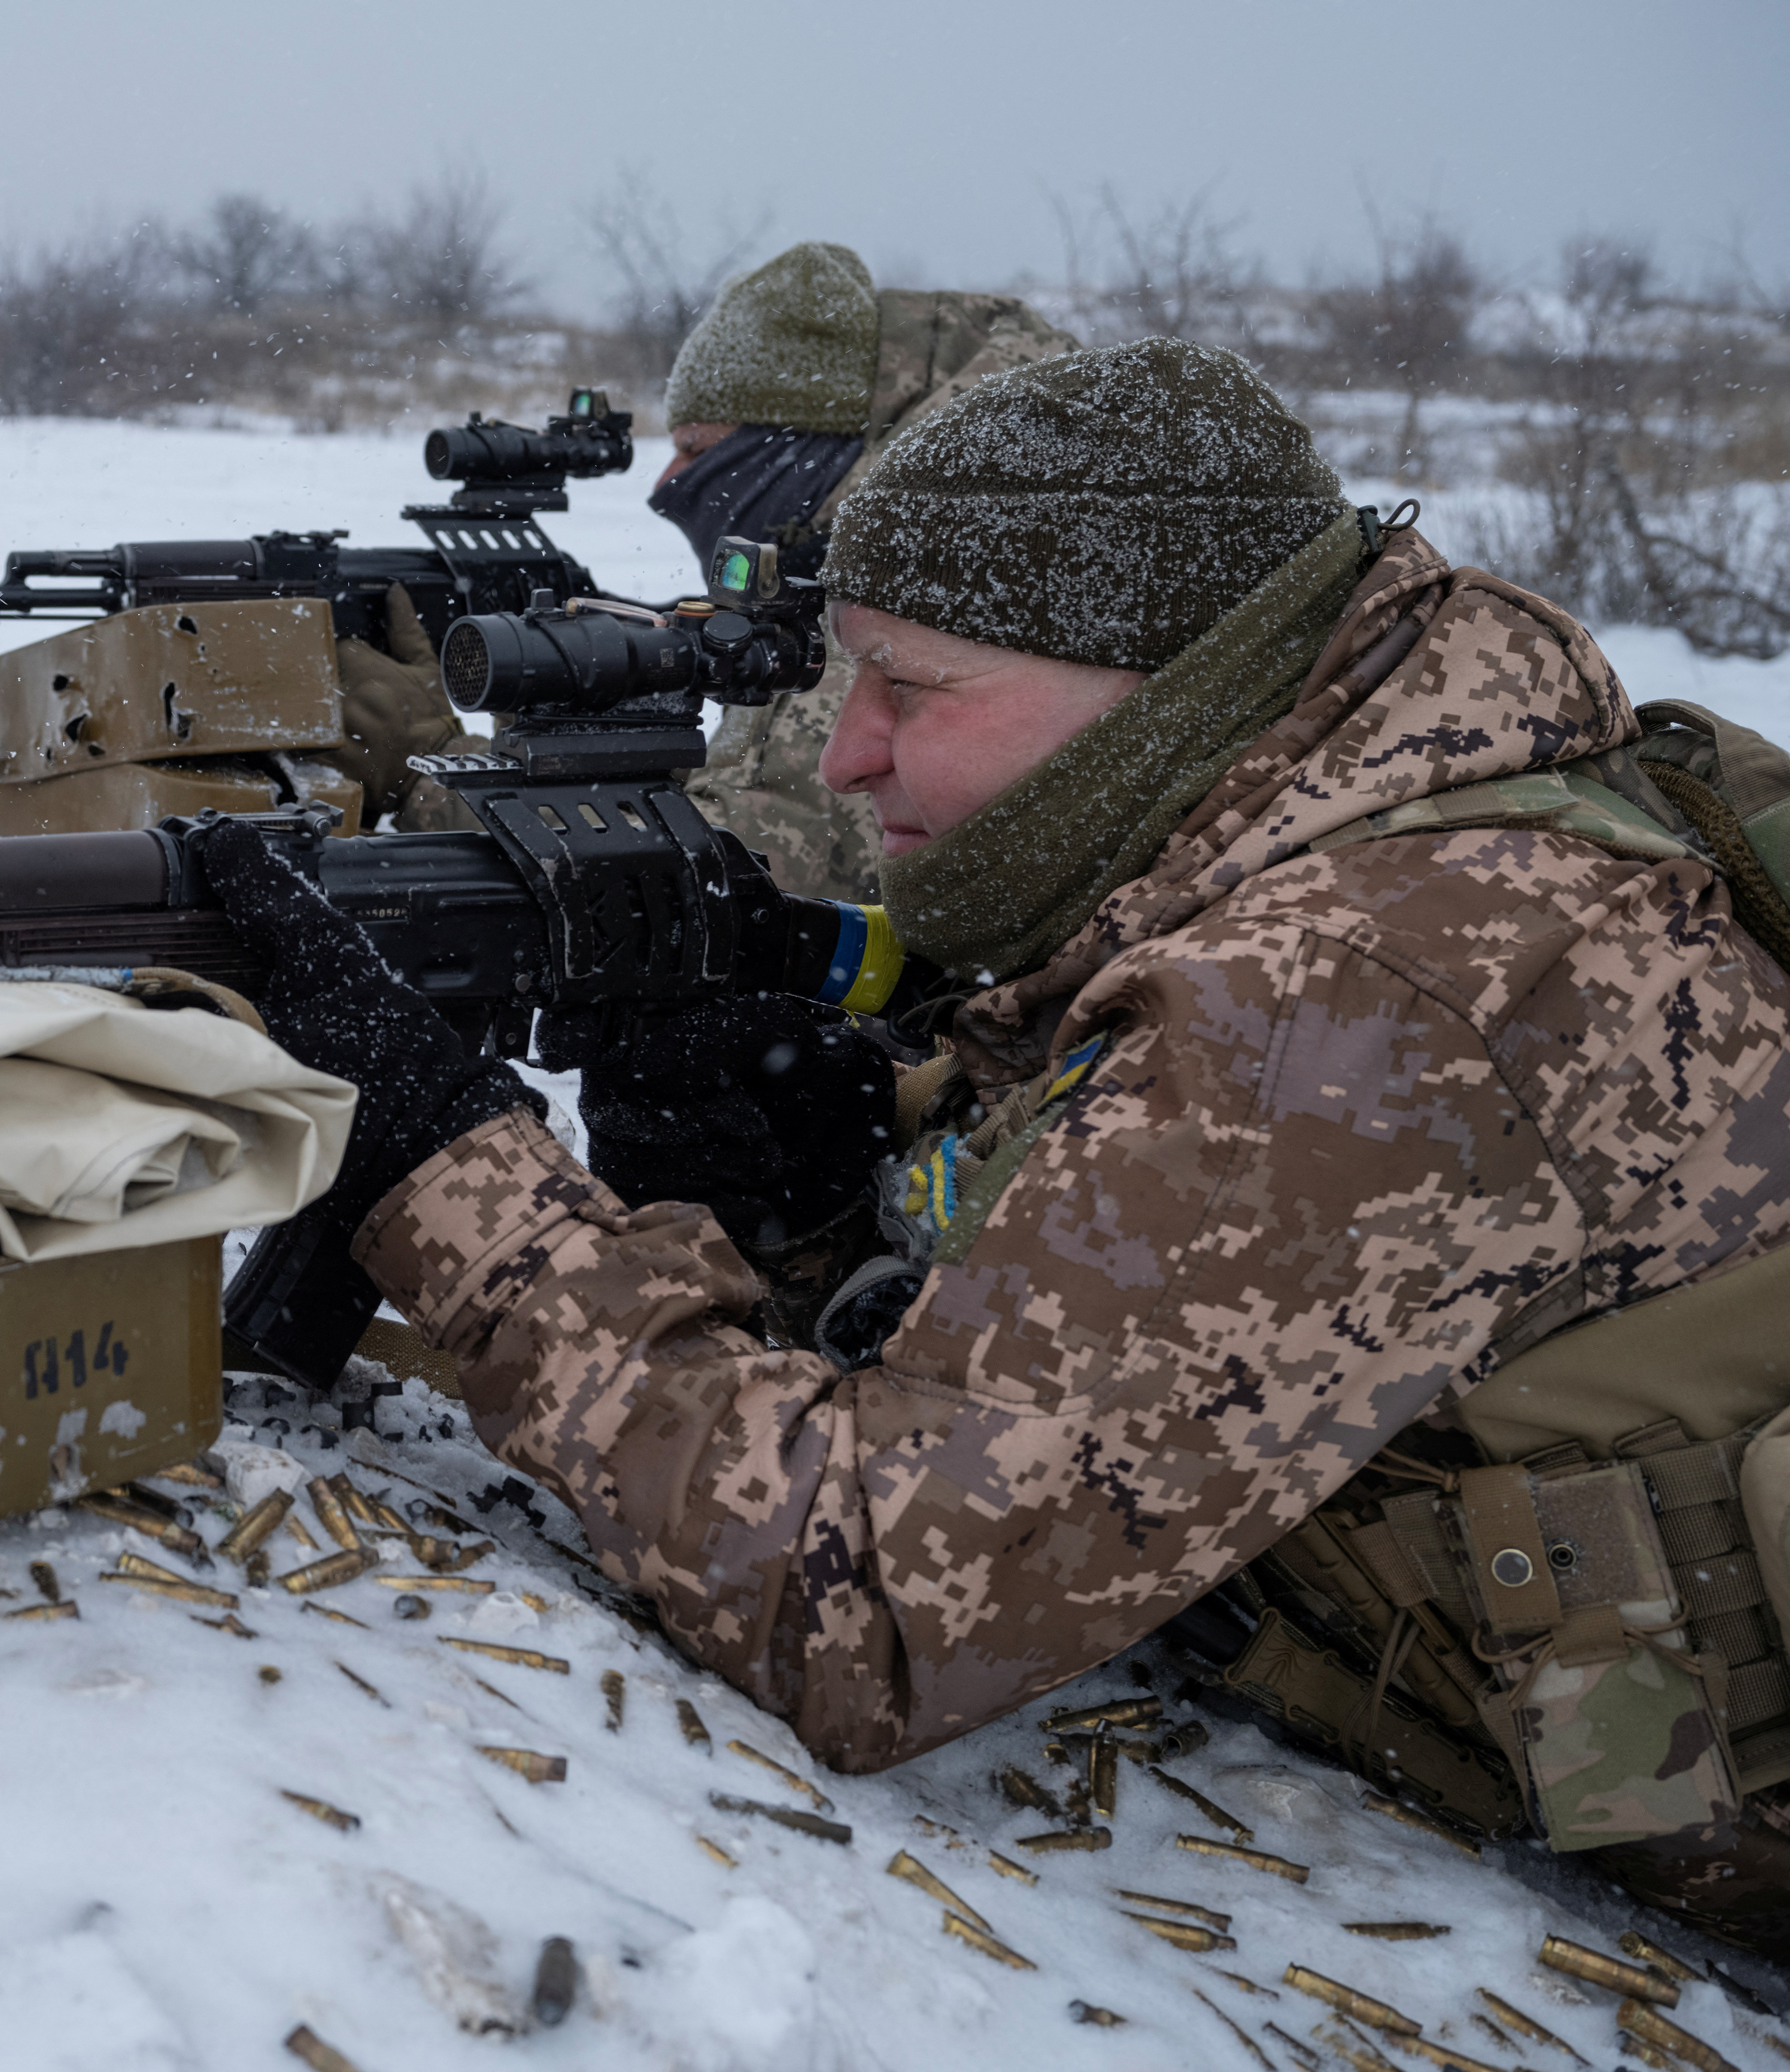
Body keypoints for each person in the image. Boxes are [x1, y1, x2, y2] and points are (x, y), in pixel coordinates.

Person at [193, 337, 1790, 1947]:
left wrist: (450, 1173)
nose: (843, 753)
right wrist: (827, 1192)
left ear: (1164, 678)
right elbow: (1115, 1313)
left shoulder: (1359, 991)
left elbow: (869, 1605)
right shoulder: (1324, 810)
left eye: (913, 687)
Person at [650, 242, 1076, 900]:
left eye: (694, 448)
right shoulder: (965, 512)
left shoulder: (904, 583)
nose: (669, 481)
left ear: (793, 447)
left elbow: (745, 886)